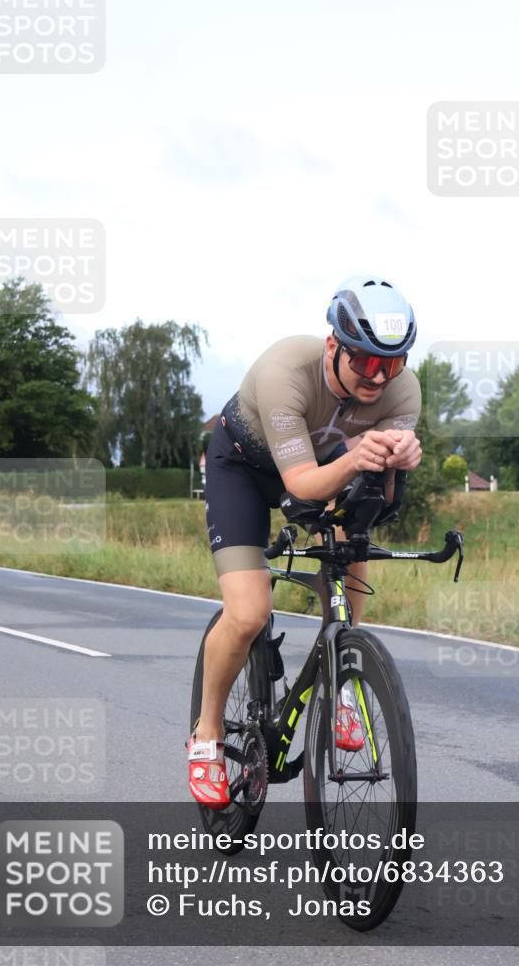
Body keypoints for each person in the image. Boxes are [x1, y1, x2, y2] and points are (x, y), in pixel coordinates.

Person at [187, 275, 423, 807]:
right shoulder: (284, 373)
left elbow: (378, 496)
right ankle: (206, 736)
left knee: (354, 545)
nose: (379, 377)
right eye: (366, 361)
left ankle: (344, 679)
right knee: (248, 613)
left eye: (393, 362)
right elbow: (298, 486)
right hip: (246, 470)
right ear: (334, 346)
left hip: (327, 470)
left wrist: (400, 461)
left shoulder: (404, 391)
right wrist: (357, 457)